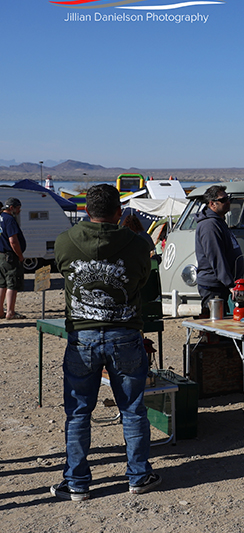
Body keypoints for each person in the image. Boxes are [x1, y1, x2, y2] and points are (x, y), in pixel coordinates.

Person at [50, 184, 161, 501]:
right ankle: (138, 476)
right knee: (133, 409)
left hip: (82, 336)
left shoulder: (65, 242)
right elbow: (142, 281)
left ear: (86, 209)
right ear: (118, 213)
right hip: (125, 334)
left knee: (78, 412)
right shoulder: (137, 243)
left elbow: (64, 271)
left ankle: (76, 482)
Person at [194, 185, 243, 315]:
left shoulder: (219, 222)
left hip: (221, 285)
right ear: (212, 204)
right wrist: (230, 284)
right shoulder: (209, 225)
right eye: (223, 200)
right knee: (214, 325)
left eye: (228, 198)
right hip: (213, 286)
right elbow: (216, 257)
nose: (228, 202)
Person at [0, 197, 26, 319]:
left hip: (1, 256)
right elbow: (13, 241)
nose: (19, 211)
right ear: (12, 208)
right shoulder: (9, 219)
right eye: (18, 208)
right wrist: (20, 255)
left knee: (2, 284)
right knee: (12, 284)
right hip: (9, 257)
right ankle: (10, 311)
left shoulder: (0, 217)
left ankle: (0, 311)